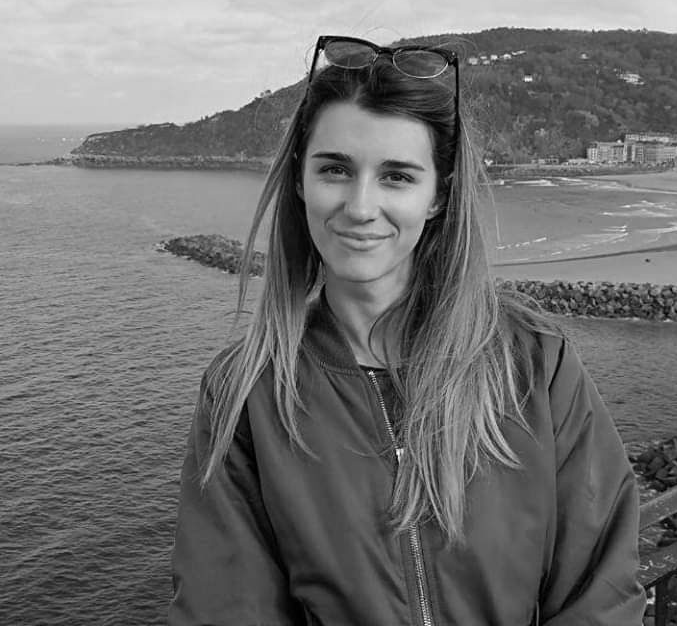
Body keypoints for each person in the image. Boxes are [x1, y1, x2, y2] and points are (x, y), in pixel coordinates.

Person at [169, 35, 646, 625]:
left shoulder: (534, 365)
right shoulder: (245, 394)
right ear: (299, 180)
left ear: (438, 196)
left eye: (396, 177)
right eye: (335, 169)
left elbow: (600, 592)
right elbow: (226, 607)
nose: (360, 206)